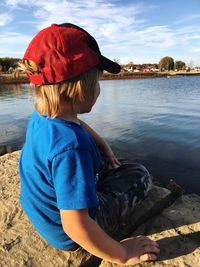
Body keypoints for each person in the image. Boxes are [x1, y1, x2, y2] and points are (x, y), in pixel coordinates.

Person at [19, 23, 160, 265]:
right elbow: (75, 225)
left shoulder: (43, 117)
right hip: (68, 233)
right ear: (79, 88)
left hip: (44, 214)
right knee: (139, 174)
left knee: (113, 165)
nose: (99, 90)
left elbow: (78, 125)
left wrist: (103, 145)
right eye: (97, 82)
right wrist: (122, 253)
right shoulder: (71, 146)